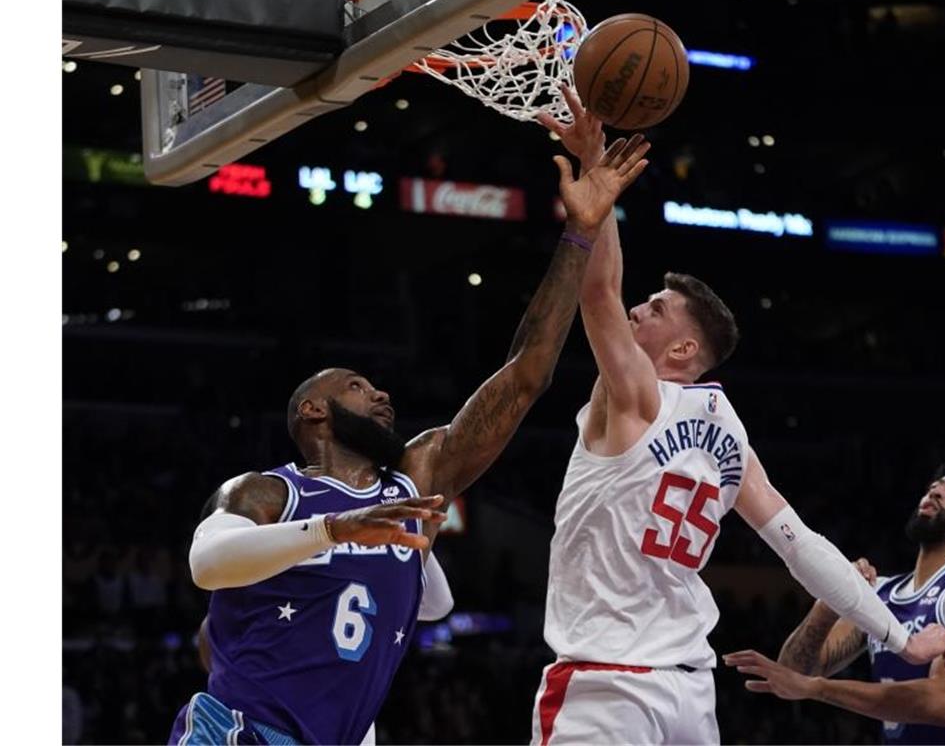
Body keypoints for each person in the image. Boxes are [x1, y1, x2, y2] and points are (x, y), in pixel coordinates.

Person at [167, 135, 652, 746]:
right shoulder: (268, 493)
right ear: (313, 410)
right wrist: (338, 530)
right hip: (239, 732)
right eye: (357, 386)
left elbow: (527, 375)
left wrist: (580, 232)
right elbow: (206, 565)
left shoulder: (416, 482)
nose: (380, 395)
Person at [528, 88, 945, 746]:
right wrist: (899, 636)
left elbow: (599, 291)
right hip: (691, 696)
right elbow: (803, 548)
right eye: (644, 303)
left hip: (607, 684)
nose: (639, 311)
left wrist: (592, 188)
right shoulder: (728, 431)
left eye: (656, 308)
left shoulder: (637, 396)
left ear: (682, 351)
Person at [726, 460, 945, 744]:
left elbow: (943, 703)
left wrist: (820, 689)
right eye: (934, 487)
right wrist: (831, 600)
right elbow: (794, 676)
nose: (936, 491)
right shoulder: (880, 593)